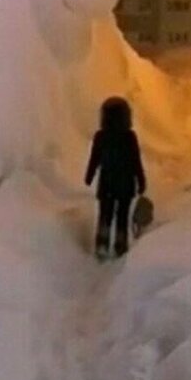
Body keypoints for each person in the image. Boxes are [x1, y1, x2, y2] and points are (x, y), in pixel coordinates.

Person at [85, 97, 146, 259]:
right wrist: (141, 181)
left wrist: (89, 176)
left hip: (107, 184)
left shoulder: (101, 136)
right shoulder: (129, 137)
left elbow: (94, 159)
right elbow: (135, 161)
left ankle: (102, 244)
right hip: (125, 185)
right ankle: (120, 245)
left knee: (105, 215)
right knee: (122, 216)